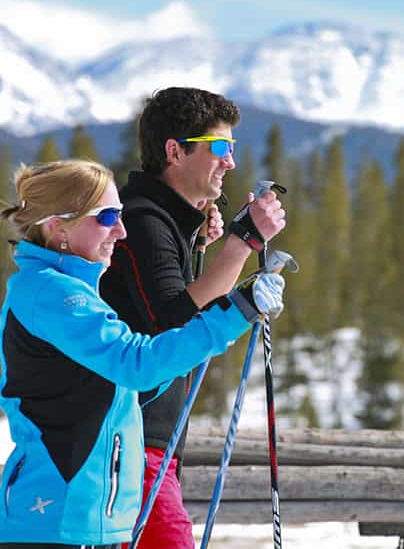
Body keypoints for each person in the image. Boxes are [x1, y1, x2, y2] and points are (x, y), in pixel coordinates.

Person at [0, 159, 285, 548]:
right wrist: (234, 313)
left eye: (121, 215)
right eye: (106, 216)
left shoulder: (75, 291)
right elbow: (137, 364)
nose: (121, 230)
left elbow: (127, 388)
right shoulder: (53, 293)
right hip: (56, 523)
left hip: (93, 523)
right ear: (57, 224)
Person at [99, 87, 285, 548]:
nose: (231, 162)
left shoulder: (161, 220)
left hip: (145, 445)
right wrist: (245, 242)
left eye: (233, 149)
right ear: (174, 151)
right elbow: (172, 319)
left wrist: (200, 241)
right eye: (220, 148)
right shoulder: (142, 220)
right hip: (129, 446)